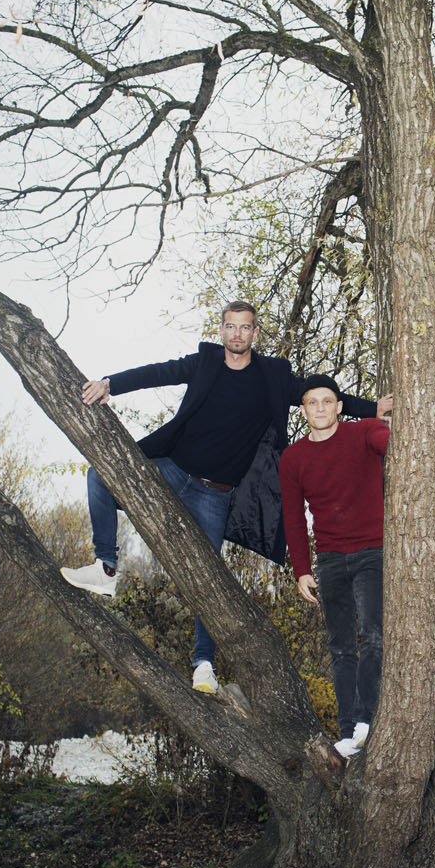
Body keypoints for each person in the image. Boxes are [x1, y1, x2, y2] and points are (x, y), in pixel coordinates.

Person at [61, 302, 391, 695]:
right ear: (221, 331)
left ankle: (203, 664)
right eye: (231, 327)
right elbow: (158, 372)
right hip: (173, 471)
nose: (237, 334)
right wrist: (109, 383)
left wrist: (373, 409)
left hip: (214, 496)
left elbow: (320, 395)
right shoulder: (205, 362)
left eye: (245, 327)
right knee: (100, 475)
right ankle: (106, 567)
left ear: (255, 333)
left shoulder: (272, 376)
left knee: (208, 578)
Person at [278, 375, 389, 758]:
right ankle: (347, 733)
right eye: (313, 402)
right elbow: (293, 517)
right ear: (303, 410)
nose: (320, 408)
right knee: (341, 647)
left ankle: (365, 721)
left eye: (327, 401)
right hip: (329, 559)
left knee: (373, 636)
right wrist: (302, 569)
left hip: (372, 552)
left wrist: (389, 430)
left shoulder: (363, 432)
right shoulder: (293, 458)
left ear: (340, 406)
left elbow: (386, 441)